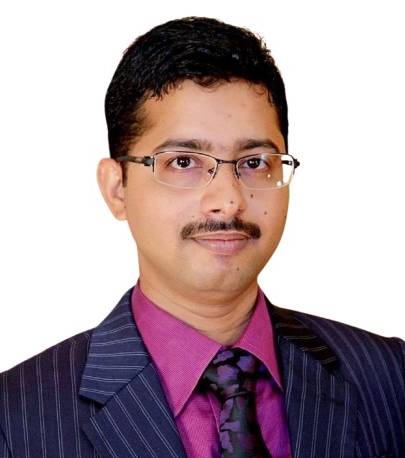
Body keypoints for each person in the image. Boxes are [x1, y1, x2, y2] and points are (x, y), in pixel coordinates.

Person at [0, 16, 404, 458]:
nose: (228, 201)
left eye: (255, 162)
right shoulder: (17, 418)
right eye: (183, 162)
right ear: (117, 188)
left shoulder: (389, 377)